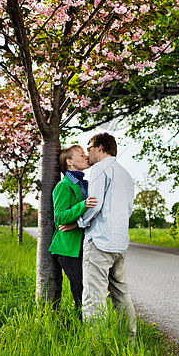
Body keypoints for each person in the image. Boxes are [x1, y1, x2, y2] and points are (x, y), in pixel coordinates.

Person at [60, 133, 136, 340]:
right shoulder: (126, 174)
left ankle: (96, 344)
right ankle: (129, 341)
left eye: (90, 147)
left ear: (100, 147)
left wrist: (78, 222)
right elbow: (128, 210)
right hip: (120, 243)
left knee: (94, 296)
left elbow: (95, 205)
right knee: (121, 294)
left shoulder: (100, 169)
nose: (88, 153)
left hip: (100, 241)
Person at [48, 144, 97, 310]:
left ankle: (87, 324)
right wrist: (83, 205)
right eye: (81, 154)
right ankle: (82, 327)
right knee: (80, 290)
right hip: (68, 248)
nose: (85, 157)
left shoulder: (84, 184)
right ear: (69, 162)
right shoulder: (63, 186)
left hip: (83, 244)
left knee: (87, 289)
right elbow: (60, 217)